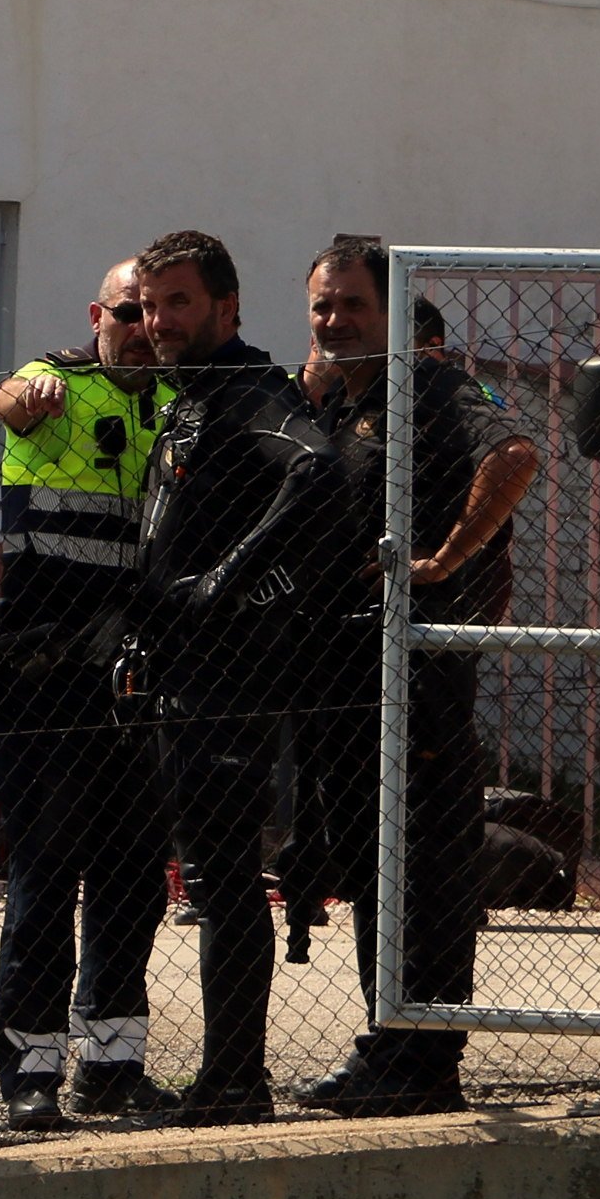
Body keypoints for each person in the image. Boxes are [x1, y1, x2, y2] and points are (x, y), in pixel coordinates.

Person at [293, 237, 541, 1115]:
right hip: (346, 678)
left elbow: (513, 457)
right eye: (323, 305)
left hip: (419, 677)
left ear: (394, 315)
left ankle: (427, 1060)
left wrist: (442, 559)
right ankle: (386, 1038)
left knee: (424, 870)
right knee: (369, 866)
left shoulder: (430, 387)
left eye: (352, 305)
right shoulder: (336, 402)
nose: (334, 321)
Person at [128, 229, 354, 1126]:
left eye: (178, 303)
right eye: (150, 306)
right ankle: (227, 1077)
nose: (160, 321)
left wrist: (225, 583)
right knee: (198, 878)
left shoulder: (249, 390)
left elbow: (316, 472)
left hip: (232, 682)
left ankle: (236, 1080)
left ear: (225, 308)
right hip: (176, 674)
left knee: (224, 882)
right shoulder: (186, 400)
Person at [0, 260, 173, 1129]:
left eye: (158, 311)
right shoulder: (59, 380)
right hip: (45, 676)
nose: (143, 326)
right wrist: (29, 389)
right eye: (129, 310)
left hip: (140, 678)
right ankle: (31, 1069)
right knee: (48, 871)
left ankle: (113, 1062)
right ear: (98, 313)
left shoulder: (178, 404)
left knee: (135, 875)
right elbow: (12, 399)